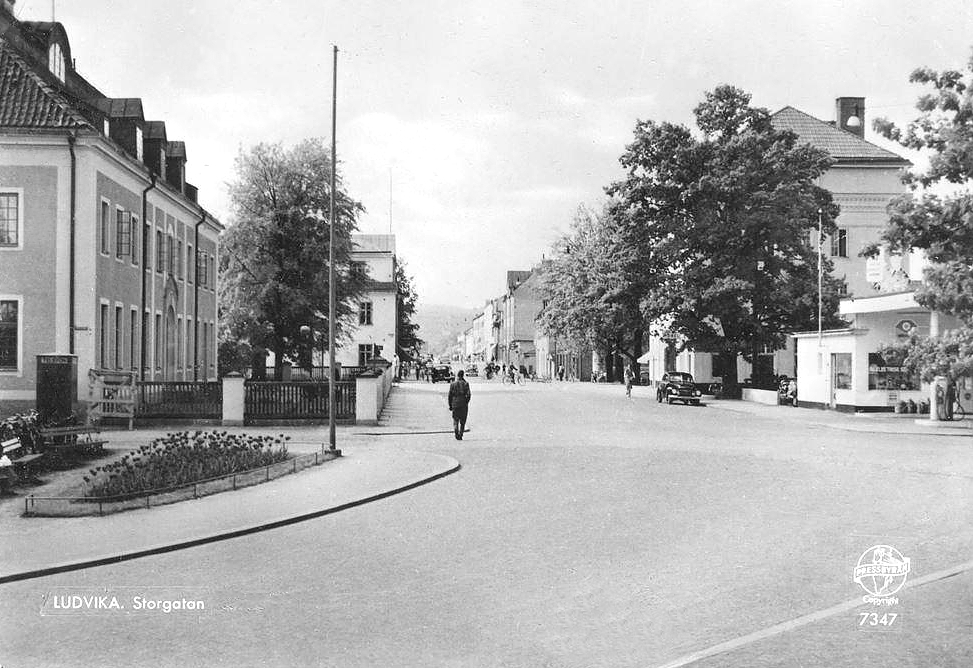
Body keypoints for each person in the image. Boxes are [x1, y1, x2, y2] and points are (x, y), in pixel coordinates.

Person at [447, 370, 471, 440]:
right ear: (463, 375)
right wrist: (466, 402)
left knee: (455, 420)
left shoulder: (453, 384)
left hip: (455, 403)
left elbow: (450, 396)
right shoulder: (466, 383)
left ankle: (456, 431)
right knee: (463, 421)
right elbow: (469, 395)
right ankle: (461, 434)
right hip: (463, 404)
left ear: (457, 375)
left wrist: (450, 405)